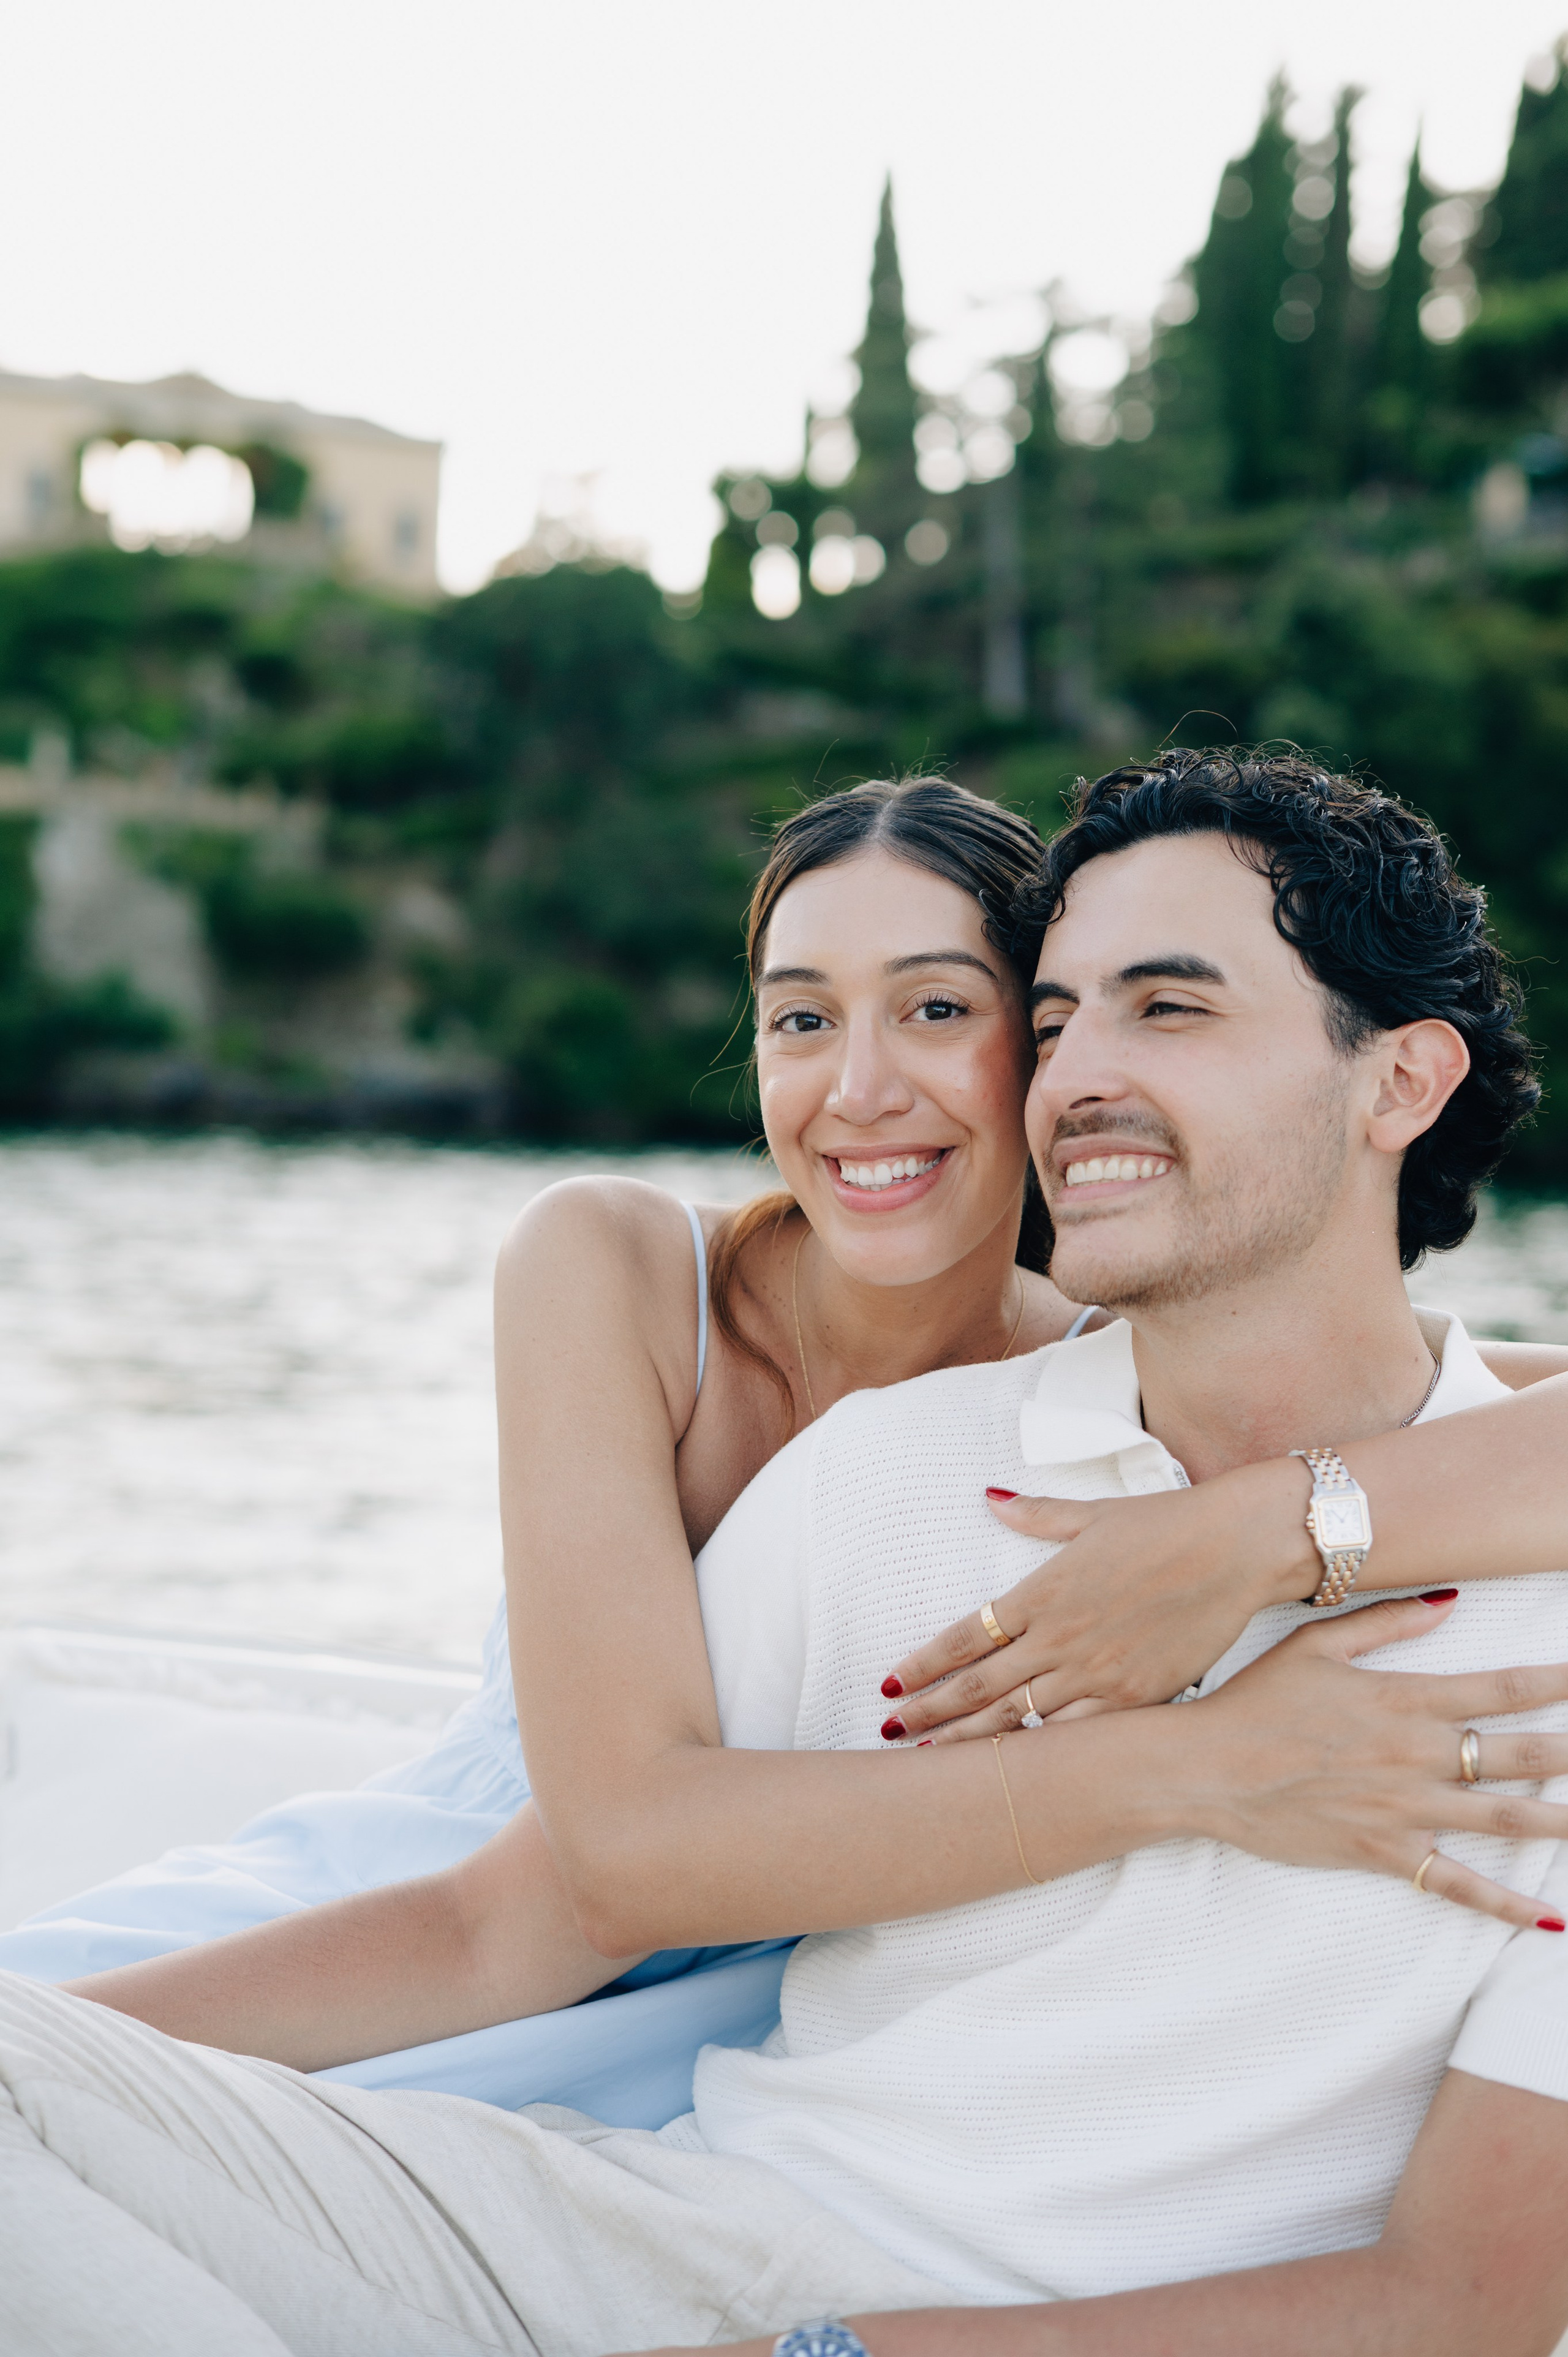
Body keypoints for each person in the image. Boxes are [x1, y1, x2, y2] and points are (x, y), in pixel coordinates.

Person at [9, 749, 1568, 2357]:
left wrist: (1279, 1526)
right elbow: (535, 1908)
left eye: (1164, 1010)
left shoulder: (1526, 1558)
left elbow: (1459, 2307)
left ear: (1401, 1081)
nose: (1076, 1075)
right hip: (646, 2204)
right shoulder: (882, 1465)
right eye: (1055, 1021)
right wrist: (1205, 1759)